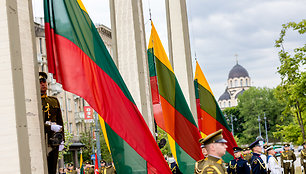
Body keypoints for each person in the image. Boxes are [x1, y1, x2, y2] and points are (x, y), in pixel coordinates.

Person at [39, 72, 64, 174]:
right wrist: (50, 127)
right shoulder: (34, 101)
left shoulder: (53, 101)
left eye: (44, 81)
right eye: (40, 82)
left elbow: (60, 121)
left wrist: (62, 139)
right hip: (41, 138)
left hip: (53, 140)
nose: (43, 84)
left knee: (52, 168)